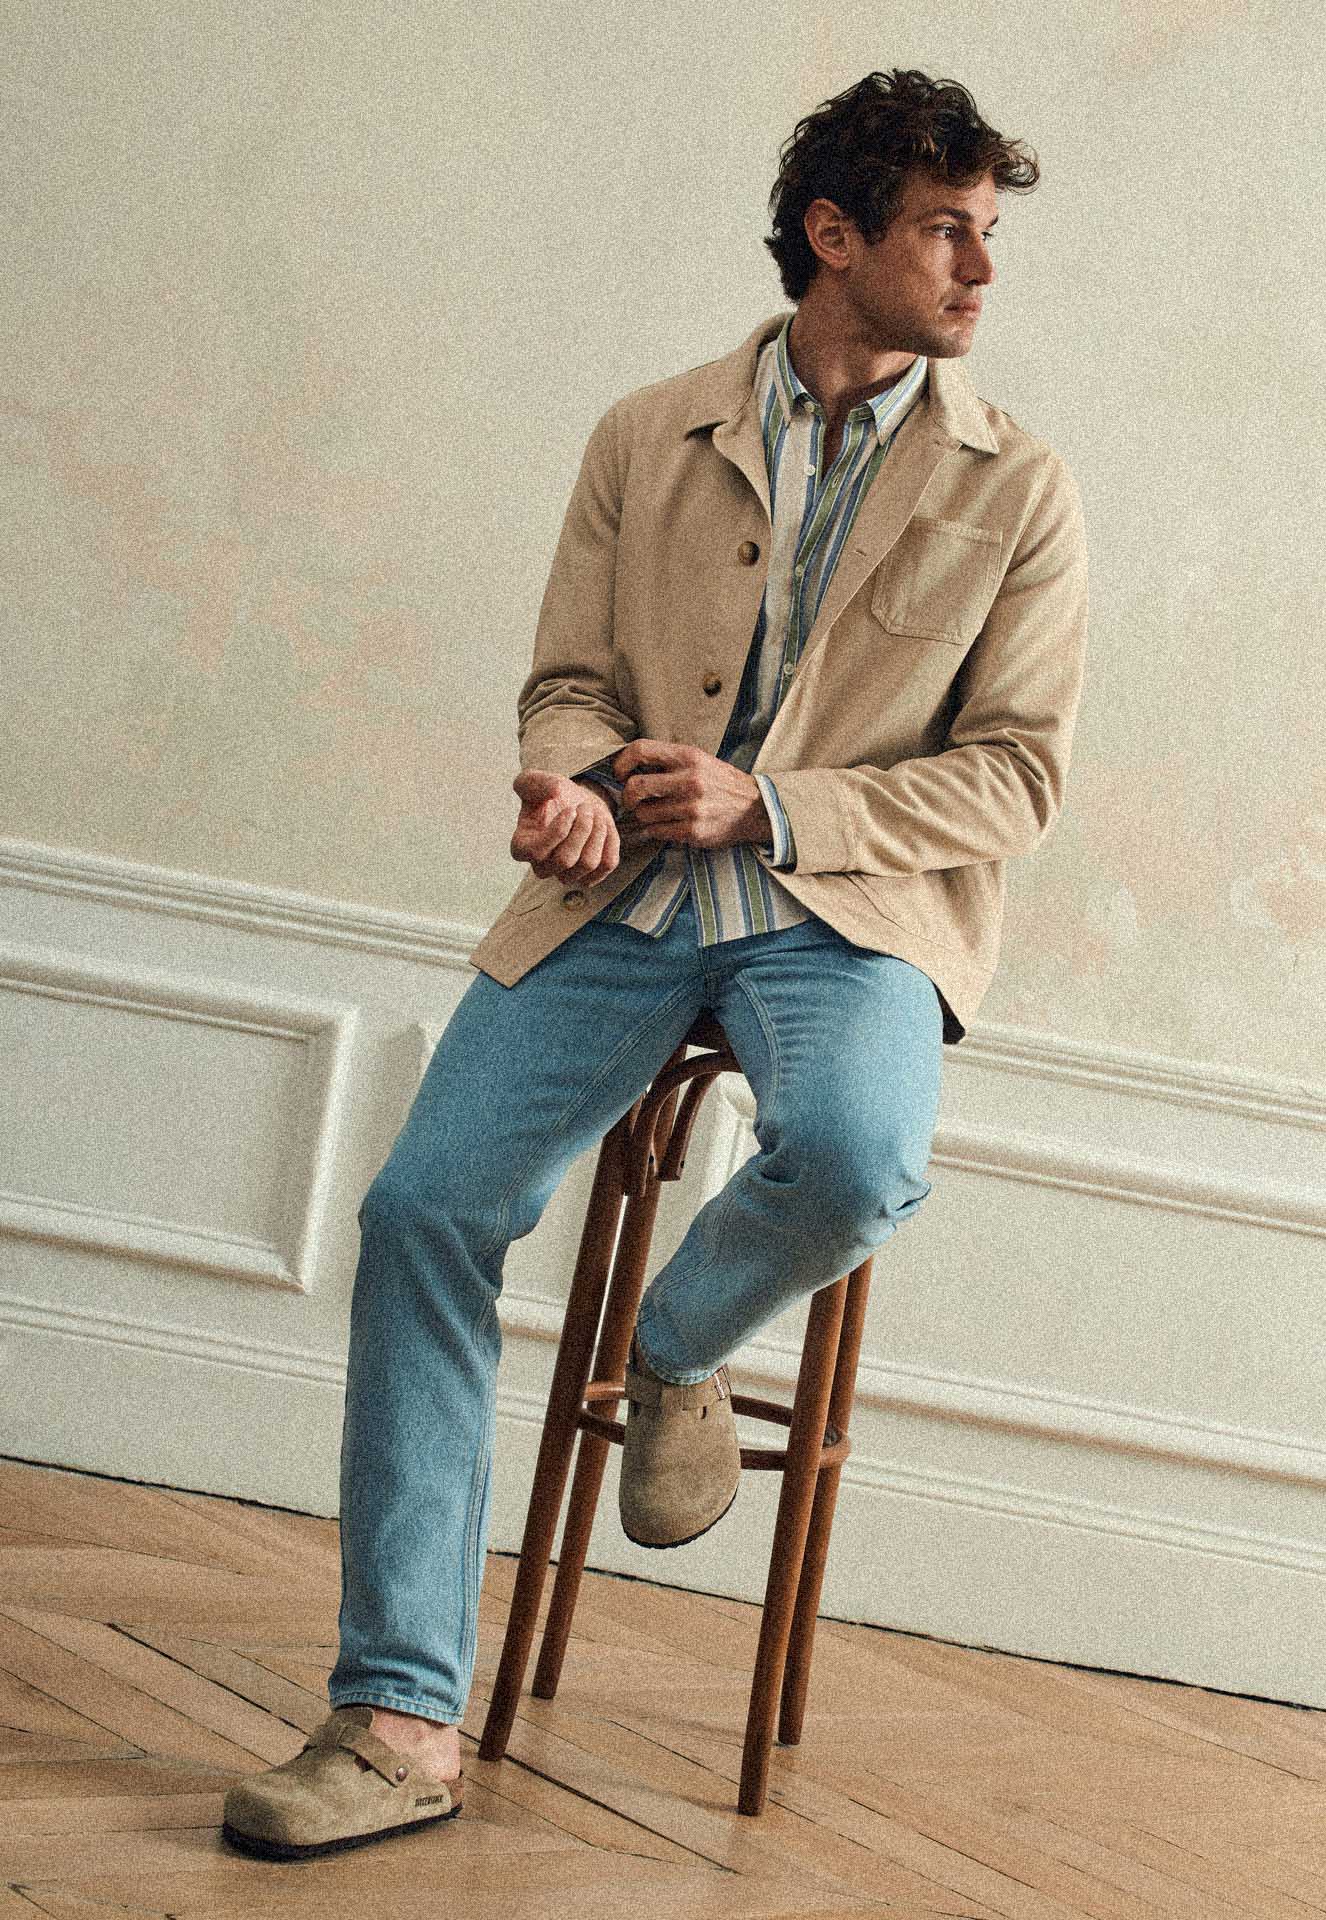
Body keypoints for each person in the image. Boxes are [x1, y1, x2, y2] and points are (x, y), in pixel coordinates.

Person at [222, 66, 1088, 1862]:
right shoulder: (646, 434)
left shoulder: (1019, 487)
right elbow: (566, 683)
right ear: (832, 236)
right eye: (945, 229)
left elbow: (1017, 778)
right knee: (421, 1210)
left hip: (842, 913)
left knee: (855, 1153)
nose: (979, 269)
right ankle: (395, 1717)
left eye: (987, 232)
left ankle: (675, 1344)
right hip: (613, 903)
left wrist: (772, 806)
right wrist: (572, 787)